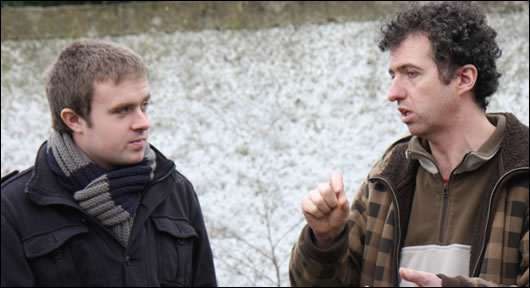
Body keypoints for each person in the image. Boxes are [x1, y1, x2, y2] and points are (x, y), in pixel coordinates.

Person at [289, 2, 528, 287]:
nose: (393, 93)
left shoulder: (522, 169)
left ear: (464, 79)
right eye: (393, 75)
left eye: (411, 74)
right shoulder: (388, 176)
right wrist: (325, 241)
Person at [1, 39, 217, 286]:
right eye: (122, 110)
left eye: (144, 105)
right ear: (74, 120)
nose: (142, 122)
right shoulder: (11, 212)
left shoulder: (175, 192)